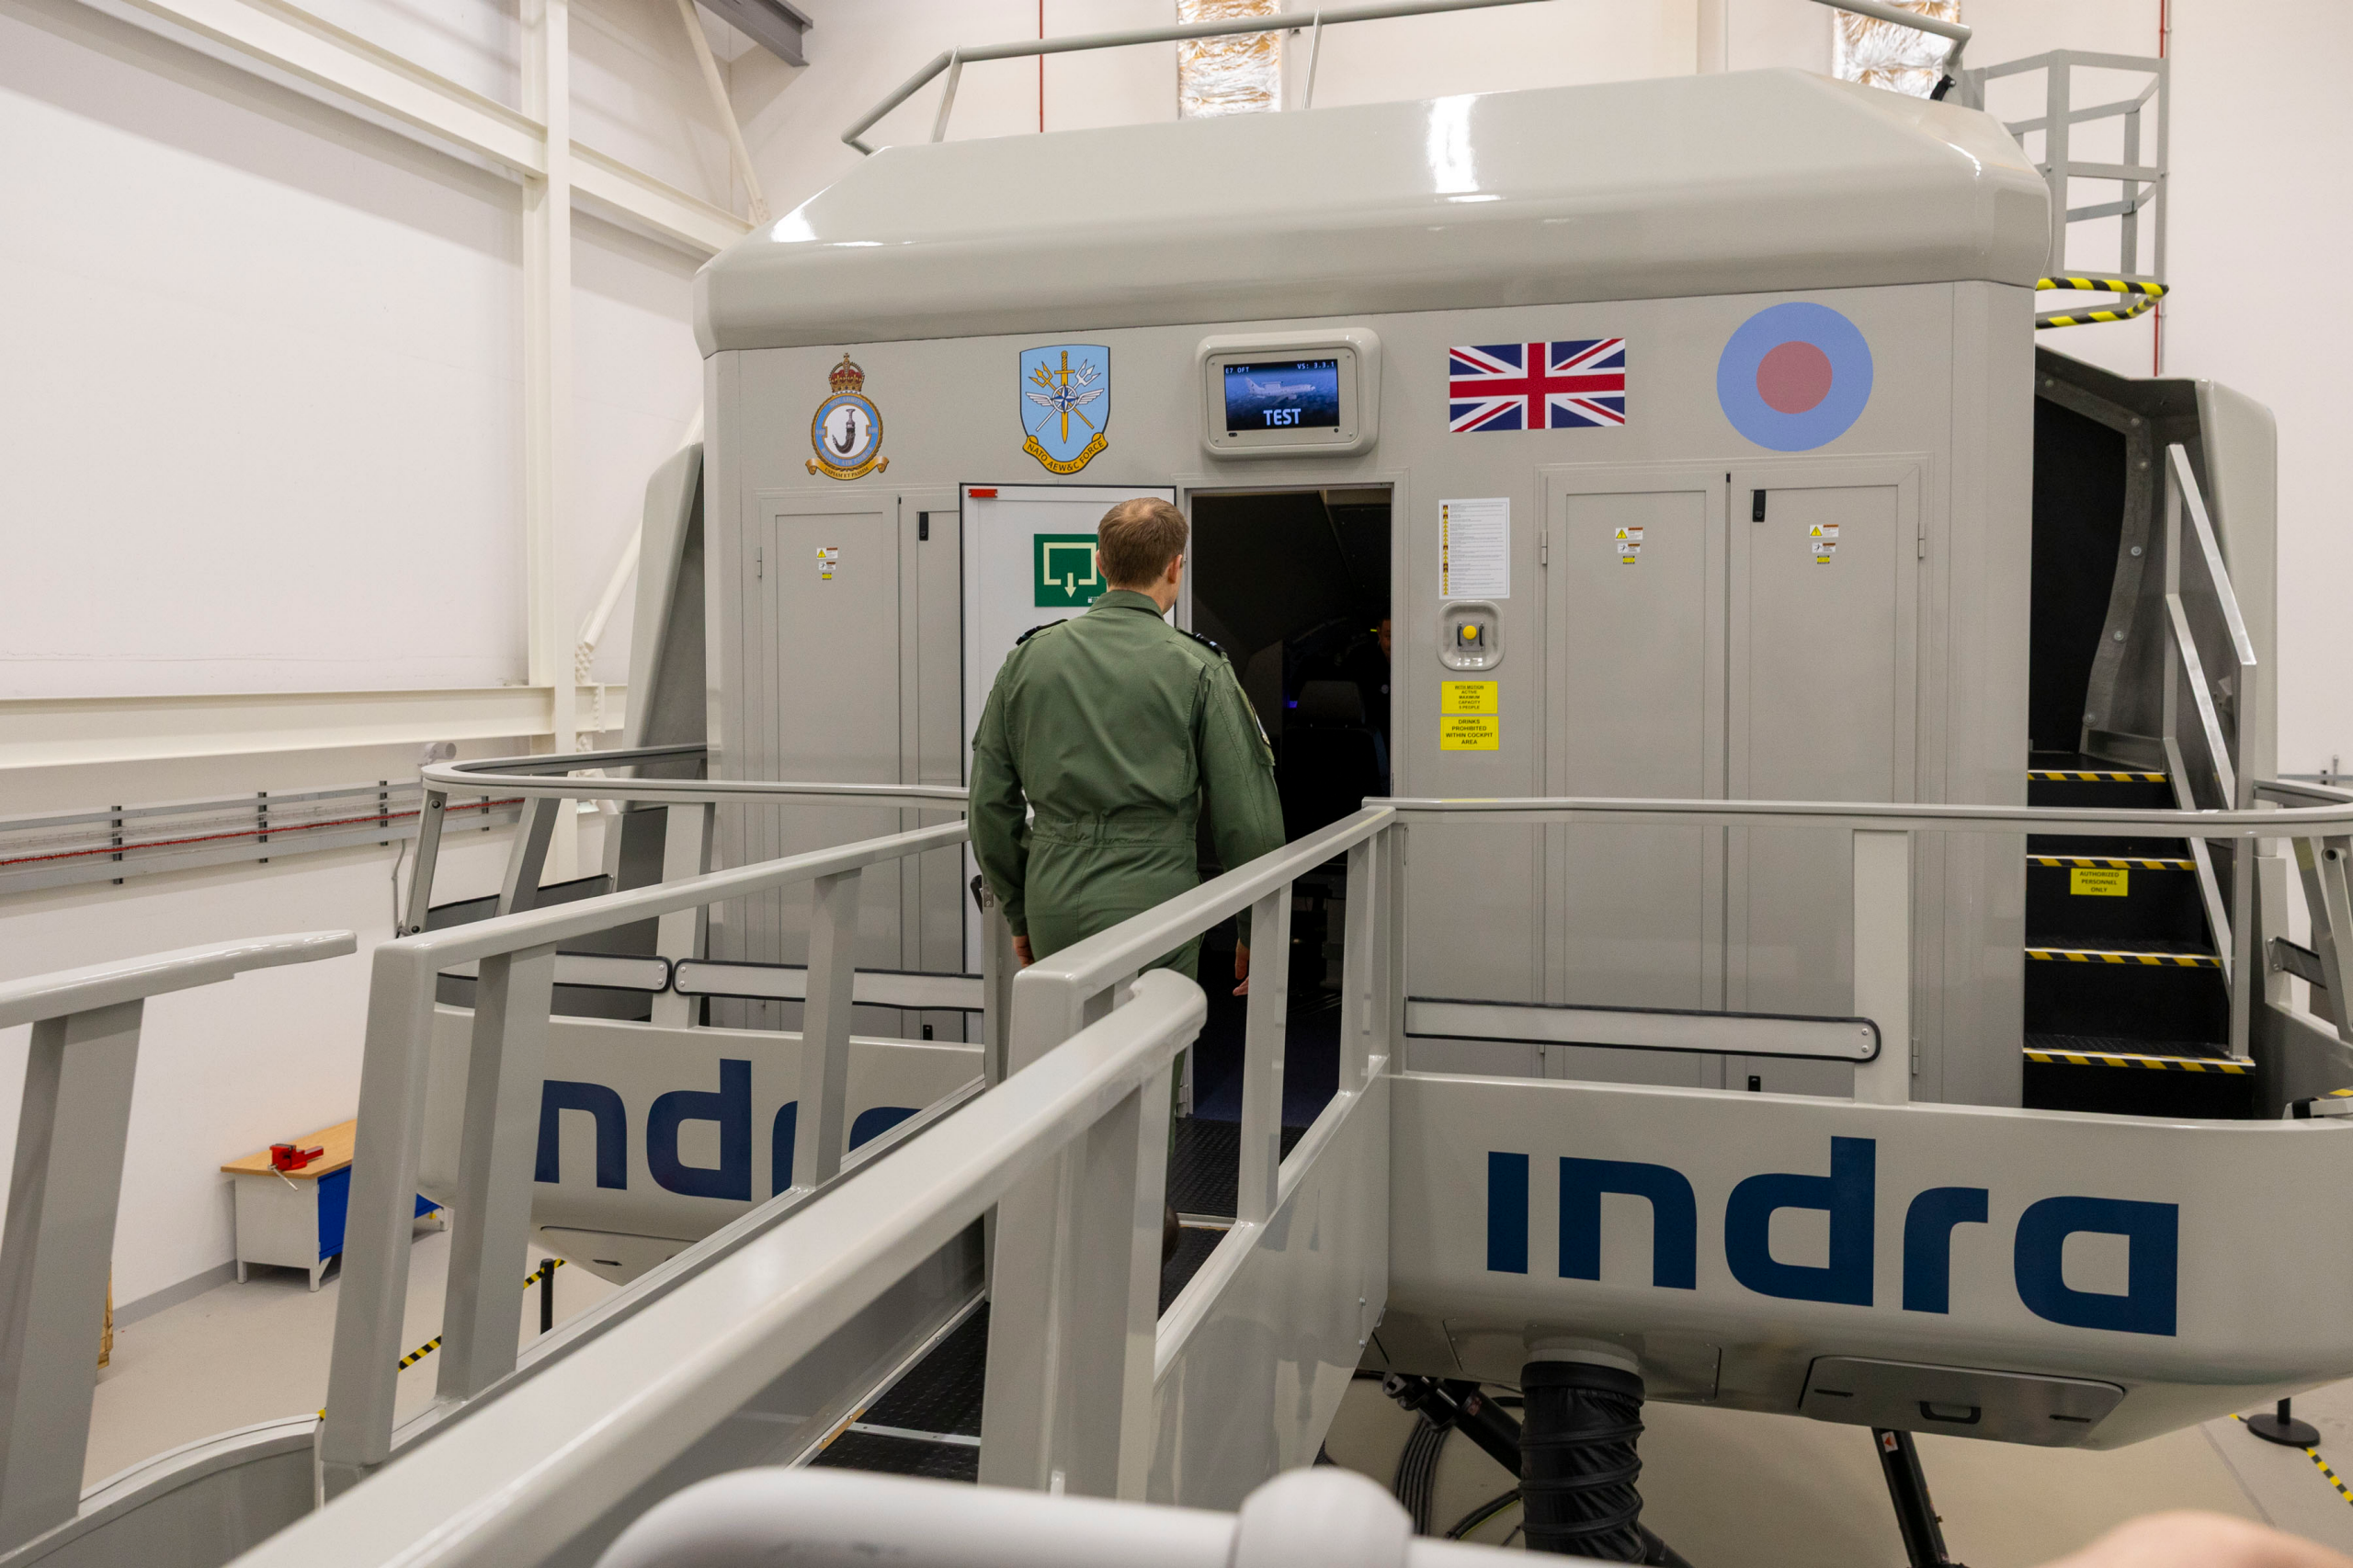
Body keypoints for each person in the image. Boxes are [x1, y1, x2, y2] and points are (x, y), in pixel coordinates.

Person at [970, 495, 1286, 994]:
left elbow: (989, 806)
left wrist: (1019, 909)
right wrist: (1256, 924)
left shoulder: (1027, 661)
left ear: (1099, 563)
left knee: (1066, 1042)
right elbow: (1247, 816)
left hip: (1052, 899)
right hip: (1156, 901)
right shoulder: (1199, 667)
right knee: (1154, 1041)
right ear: (1175, 567)